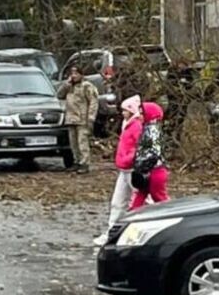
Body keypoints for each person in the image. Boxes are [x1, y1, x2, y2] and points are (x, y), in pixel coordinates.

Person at [96, 95, 144, 246]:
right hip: (124, 169)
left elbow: (140, 146)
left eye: (125, 110)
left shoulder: (136, 126)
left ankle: (142, 231)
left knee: (143, 201)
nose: (122, 113)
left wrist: (131, 159)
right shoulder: (127, 124)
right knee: (118, 202)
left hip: (132, 169)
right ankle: (112, 232)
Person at [55, 66, 100, 172]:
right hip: (71, 118)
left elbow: (93, 102)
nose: (74, 76)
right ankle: (76, 161)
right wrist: (67, 83)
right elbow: (59, 95)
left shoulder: (87, 86)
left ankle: (84, 163)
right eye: (72, 73)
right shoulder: (69, 86)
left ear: (81, 75)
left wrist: (91, 118)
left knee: (82, 142)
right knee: (73, 143)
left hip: (82, 119)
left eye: (76, 73)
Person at [129, 101, 170, 210]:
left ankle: (172, 216)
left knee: (159, 198)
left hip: (154, 170)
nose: (139, 116)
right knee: (141, 194)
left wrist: (141, 165)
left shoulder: (153, 131)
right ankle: (132, 215)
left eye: (142, 114)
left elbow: (154, 152)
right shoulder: (148, 129)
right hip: (149, 170)